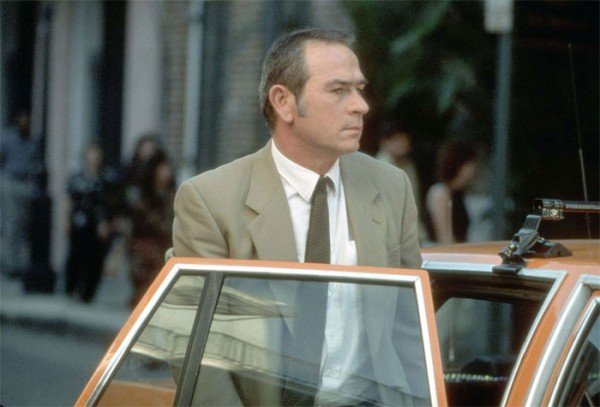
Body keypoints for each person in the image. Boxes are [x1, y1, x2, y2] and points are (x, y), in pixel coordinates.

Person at [171, 28, 425, 405]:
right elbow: (195, 351)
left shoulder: (390, 187)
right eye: (338, 90)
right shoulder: (210, 201)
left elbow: (409, 329)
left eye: (359, 89)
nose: (361, 106)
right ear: (283, 102)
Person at [64, 143, 116, 303]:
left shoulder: (105, 180)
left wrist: (107, 223)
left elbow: (109, 204)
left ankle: (88, 293)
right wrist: (66, 221)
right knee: (76, 256)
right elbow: (70, 200)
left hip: (97, 225)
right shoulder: (76, 179)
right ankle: (71, 288)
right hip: (79, 223)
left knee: (94, 259)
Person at [0, 111, 44, 278]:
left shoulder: (32, 141)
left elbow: (36, 163)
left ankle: (21, 263)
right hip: (11, 181)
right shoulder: (7, 138)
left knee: (24, 225)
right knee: (11, 224)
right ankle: (10, 264)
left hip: (26, 183)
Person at [128, 152, 175, 307]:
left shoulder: (173, 196)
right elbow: (135, 227)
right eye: (161, 169)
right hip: (145, 251)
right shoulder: (144, 198)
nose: (165, 173)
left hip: (165, 249)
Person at [376, 127, 429, 243]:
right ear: (385, 143)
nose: (403, 144)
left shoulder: (408, 165)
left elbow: (413, 203)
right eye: (398, 140)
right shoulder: (378, 166)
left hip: (411, 230)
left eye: (405, 140)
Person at [425, 139, 478, 244]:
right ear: (461, 165)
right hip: (443, 251)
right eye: (470, 164)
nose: (474, 169)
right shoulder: (440, 193)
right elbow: (444, 238)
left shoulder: (459, 194)